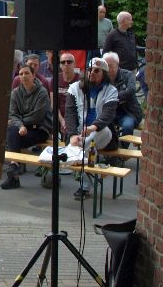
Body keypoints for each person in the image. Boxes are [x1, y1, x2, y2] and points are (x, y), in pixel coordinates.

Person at [65, 57, 119, 201]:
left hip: (102, 136)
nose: (92, 73)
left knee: (102, 131)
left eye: (96, 71)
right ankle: (84, 186)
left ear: (104, 74)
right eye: (89, 70)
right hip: (79, 136)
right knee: (87, 149)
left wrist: (93, 127)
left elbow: (108, 115)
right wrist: (72, 135)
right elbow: (70, 114)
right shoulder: (74, 88)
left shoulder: (111, 90)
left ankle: (71, 155)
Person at [0, 65, 53, 190]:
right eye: (21, 74)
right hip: (21, 129)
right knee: (12, 132)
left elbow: (37, 116)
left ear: (33, 75)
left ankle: (13, 173)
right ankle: (14, 167)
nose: (24, 76)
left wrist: (19, 123)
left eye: (27, 73)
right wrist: (20, 125)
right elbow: (12, 114)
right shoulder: (15, 92)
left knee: (12, 136)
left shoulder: (42, 92)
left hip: (40, 129)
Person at [102, 50, 143, 137]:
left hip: (129, 112)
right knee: (101, 124)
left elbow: (131, 91)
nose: (108, 69)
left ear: (117, 65)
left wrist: (112, 97)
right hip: (111, 112)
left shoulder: (127, 75)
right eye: (105, 66)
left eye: (110, 66)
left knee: (127, 126)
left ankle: (123, 145)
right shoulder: (102, 77)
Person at [54, 52, 80, 139]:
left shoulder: (81, 80)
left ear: (74, 64)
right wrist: (62, 121)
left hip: (76, 116)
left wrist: (68, 122)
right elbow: (54, 105)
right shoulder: (55, 79)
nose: (66, 64)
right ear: (60, 65)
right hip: (59, 116)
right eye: (63, 62)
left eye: (69, 62)